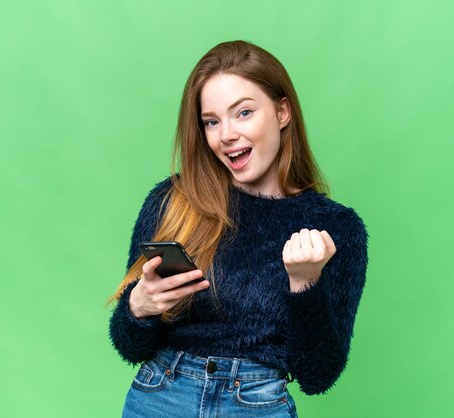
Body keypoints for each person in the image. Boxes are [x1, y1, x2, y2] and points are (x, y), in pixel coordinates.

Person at [107, 40, 369, 418]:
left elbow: (317, 376)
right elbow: (128, 345)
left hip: (255, 405)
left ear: (282, 112)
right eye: (211, 121)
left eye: (243, 113)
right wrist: (138, 307)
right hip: (160, 397)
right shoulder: (173, 200)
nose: (225, 134)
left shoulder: (335, 228)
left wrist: (305, 284)